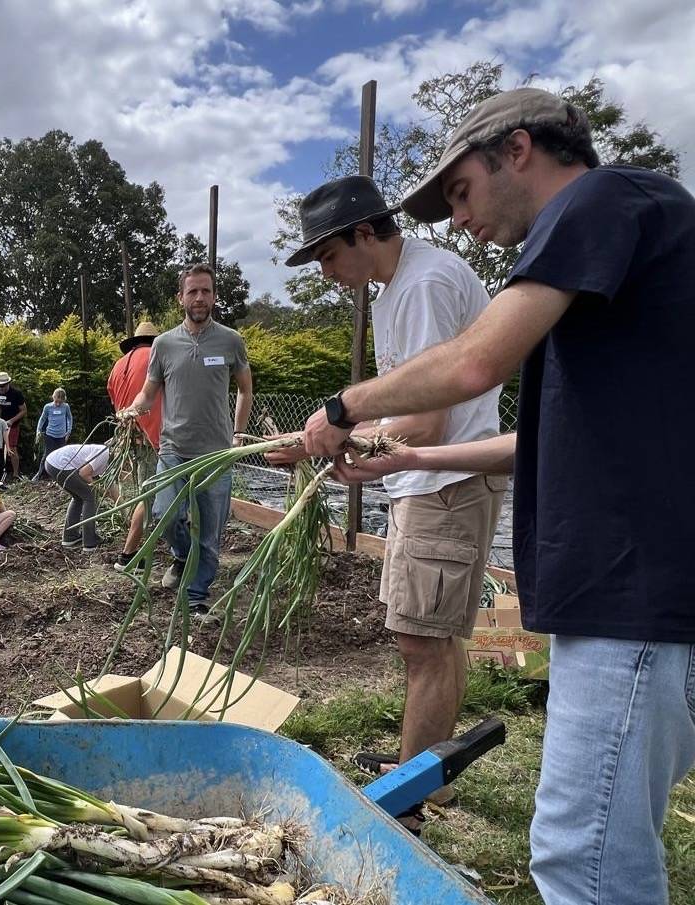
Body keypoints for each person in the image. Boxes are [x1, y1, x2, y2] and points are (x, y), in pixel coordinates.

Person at [301, 88, 695, 905]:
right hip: (631, 592)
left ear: (518, 150)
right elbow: (539, 440)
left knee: (582, 859)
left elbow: (475, 362)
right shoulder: (608, 252)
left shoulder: (603, 197)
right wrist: (408, 453)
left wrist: (345, 407)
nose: (457, 219)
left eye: (461, 191)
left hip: (635, 593)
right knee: (602, 839)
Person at [266, 175, 505, 815]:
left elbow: (426, 423)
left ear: (365, 233)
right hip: (431, 482)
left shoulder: (422, 285)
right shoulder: (397, 288)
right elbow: (394, 413)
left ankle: (410, 799)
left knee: (421, 641)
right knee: (437, 635)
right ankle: (427, 767)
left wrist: (341, 435)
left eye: (328, 255)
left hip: (444, 484)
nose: (325, 272)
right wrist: (318, 439)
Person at [121, 263, 253, 616]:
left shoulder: (230, 340)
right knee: (163, 512)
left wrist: (238, 434)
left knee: (210, 532)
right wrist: (132, 410)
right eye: (192, 291)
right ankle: (181, 556)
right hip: (173, 449)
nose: (199, 297)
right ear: (180, 297)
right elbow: (148, 394)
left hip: (217, 453)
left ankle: (196, 596)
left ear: (214, 296)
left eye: (205, 291)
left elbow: (244, 390)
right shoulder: (164, 345)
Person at [106, 321, 162, 572]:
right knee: (149, 495)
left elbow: (114, 400)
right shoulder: (155, 356)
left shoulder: (119, 365)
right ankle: (128, 556)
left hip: (131, 437)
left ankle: (160, 542)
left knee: (145, 490)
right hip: (154, 435)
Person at [44, 443, 113, 553]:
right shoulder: (104, 453)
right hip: (60, 464)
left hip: (52, 463)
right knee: (90, 496)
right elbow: (84, 474)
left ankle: (70, 537)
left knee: (78, 497)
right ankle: (90, 542)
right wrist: (100, 489)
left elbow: (111, 486)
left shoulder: (107, 461)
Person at [0, 371, 27, 480]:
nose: (0, 388)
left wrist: (11, 420)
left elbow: (23, 410)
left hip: (12, 425)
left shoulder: (16, 394)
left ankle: (15, 474)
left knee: (12, 448)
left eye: (2, 386)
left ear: (8, 383)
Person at [32, 388, 73, 480]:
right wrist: (38, 430)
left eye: (60, 401)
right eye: (56, 401)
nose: (58, 403)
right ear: (53, 397)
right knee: (47, 454)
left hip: (62, 435)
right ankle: (39, 474)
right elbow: (42, 419)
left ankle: (58, 476)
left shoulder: (66, 407)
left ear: (63, 400)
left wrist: (68, 431)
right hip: (50, 434)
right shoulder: (48, 407)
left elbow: (69, 418)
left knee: (60, 455)